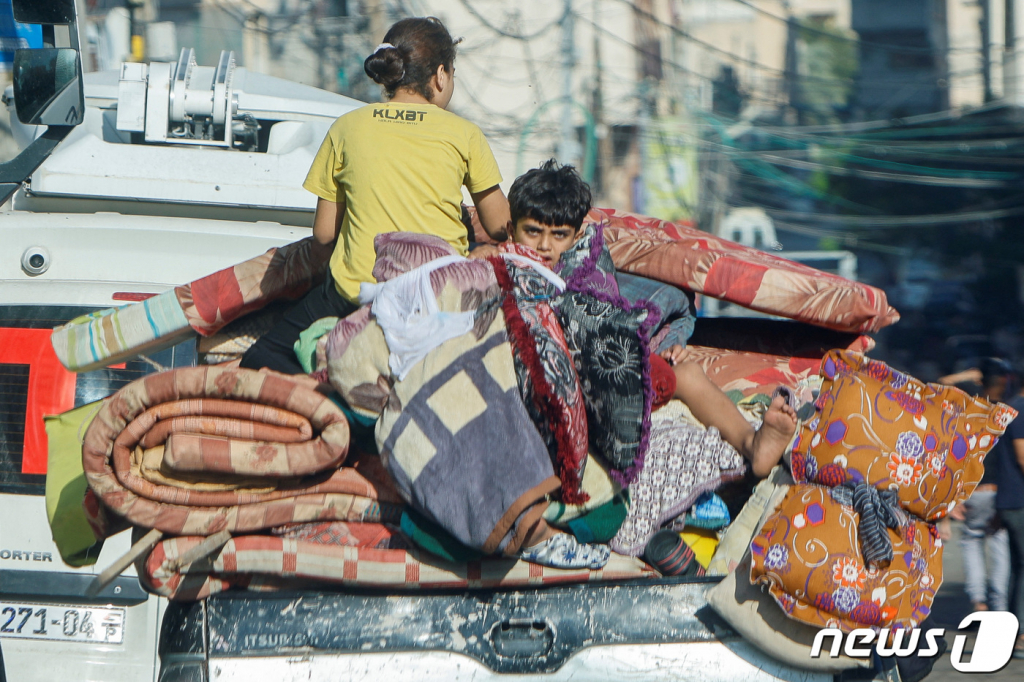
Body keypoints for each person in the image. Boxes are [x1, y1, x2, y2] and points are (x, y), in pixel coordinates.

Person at [473, 160, 798, 480]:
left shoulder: (587, 271)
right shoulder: (500, 263)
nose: (544, 246)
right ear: (511, 229)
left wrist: (661, 350)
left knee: (685, 373)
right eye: (533, 232)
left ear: (575, 238)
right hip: (541, 383)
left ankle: (753, 444)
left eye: (558, 235)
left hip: (602, 383)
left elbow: (615, 322)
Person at [241, 17, 510, 374]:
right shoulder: (464, 134)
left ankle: (324, 393)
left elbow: (323, 235)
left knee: (259, 358)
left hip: (354, 293)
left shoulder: (348, 127)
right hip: (436, 298)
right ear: (441, 75)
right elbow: (500, 224)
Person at [944, 359, 1012, 614]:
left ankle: (978, 601)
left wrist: (966, 374)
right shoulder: (1008, 414)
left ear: (981, 382)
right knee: (1000, 545)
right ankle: (1000, 603)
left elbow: (941, 386)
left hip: (972, 492)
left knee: (971, 542)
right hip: (999, 492)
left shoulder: (969, 412)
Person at [994, 372, 1024, 659]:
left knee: (1018, 569)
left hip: (1009, 500)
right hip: (1019, 501)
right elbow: (1022, 456)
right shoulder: (1022, 409)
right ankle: (1020, 636)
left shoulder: (1011, 407)